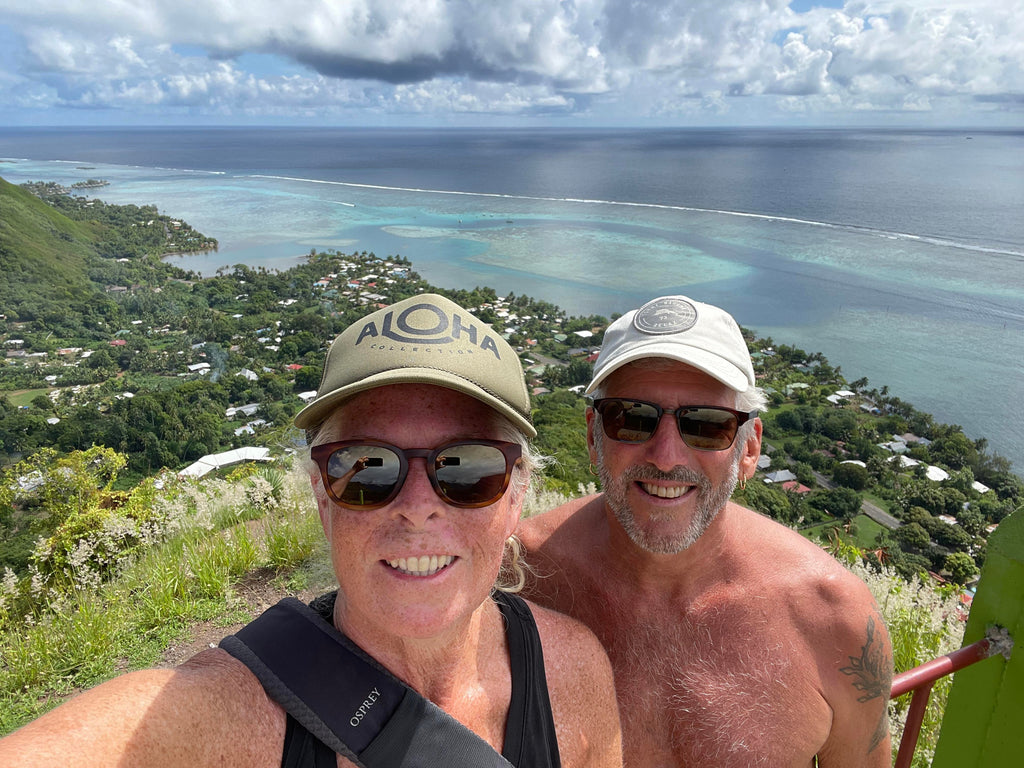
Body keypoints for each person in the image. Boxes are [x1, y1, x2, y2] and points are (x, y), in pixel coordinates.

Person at [0, 294, 622, 768]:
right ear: (324, 500)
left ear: (515, 497)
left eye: (466, 470)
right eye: (367, 470)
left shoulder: (574, 674)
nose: (416, 507)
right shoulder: (225, 718)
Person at [519, 295, 893, 768]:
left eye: (706, 425)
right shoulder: (516, 576)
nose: (666, 456)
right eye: (632, 418)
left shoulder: (832, 619)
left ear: (750, 448)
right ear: (594, 435)